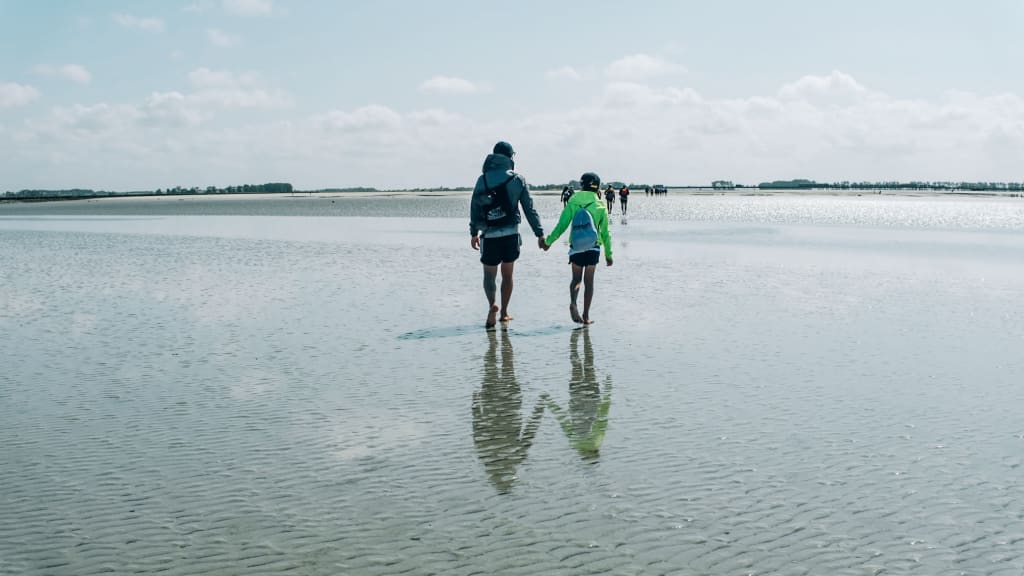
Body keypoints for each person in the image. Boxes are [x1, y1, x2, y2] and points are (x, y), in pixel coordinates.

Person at [470, 141, 546, 328]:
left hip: (489, 235)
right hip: (511, 234)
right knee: (508, 275)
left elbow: (475, 207)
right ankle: (504, 313)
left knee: (489, 276)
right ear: (510, 157)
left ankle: (491, 306)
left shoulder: (483, 179)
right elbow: (529, 209)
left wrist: (473, 232)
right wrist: (540, 233)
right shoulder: (518, 179)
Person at [541, 172, 613, 325]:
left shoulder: (573, 200)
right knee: (589, 282)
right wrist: (608, 254)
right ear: (597, 187)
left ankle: (573, 302)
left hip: (576, 247)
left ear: (582, 185)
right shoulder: (600, 204)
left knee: (576, 279)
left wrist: (548, 242)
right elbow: (606, 233)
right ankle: (586, 316)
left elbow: (562, 225)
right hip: (594, 247)